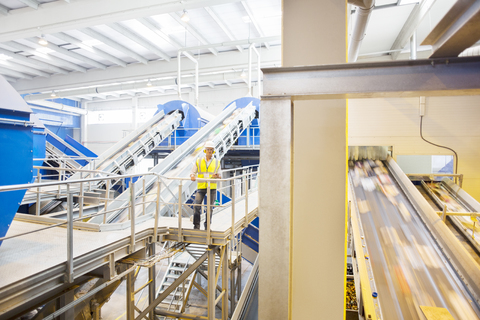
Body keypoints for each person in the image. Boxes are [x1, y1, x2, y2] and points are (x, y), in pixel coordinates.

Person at [190, 141, 221, 230]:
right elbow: (193, 172)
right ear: (205, 150)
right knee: (196, 205)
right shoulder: (199, 160)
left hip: (212, 187)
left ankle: (207, 226)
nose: (209, 151)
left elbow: (220, 174)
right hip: (201, 186)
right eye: (208, 149)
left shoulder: (217, 162)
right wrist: (192, 176)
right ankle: (196, 226)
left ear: (213, 151)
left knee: (209, 208)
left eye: (211, 150)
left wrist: (217, 176)